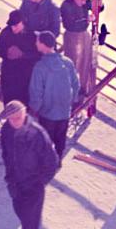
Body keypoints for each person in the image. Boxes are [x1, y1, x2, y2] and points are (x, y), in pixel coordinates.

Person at [0, 100, 60, 229]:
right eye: (12, 119)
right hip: (15, 181)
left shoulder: (37, 133)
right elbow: (6, 152)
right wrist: (9, 174)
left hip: (33, 184)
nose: (16, 121)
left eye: (19, 117)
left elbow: (52, 162)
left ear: (25, 113)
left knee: (30, 216)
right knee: (19, 209)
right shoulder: (6, 131)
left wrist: (40, 183)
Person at [27, 30, 79, 159]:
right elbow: (75, 84)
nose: (36, 43)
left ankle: (46, 165)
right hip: (64, 112)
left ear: (43, 45)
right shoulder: (68, 63)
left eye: (37, 41)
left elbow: (36, 92)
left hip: (47, 113)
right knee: (60, 139)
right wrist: (71, 102)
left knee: (45, 141)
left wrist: (34, 108)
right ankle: (58, 159)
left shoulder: (40, 67)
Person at [60, 0, 101, 103]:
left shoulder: (84, 1)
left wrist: (100, 4)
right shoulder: (66, 5)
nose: (84, 2)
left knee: (85, 61)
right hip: (73, 36)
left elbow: (95, 7)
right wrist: (87, 19)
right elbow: (70, 24)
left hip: (84, 34)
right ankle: (72, 91)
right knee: (74, 64)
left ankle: (82, 89)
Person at [0, 10, 39, 106]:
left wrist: (22, 54)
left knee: (23, 103)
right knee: (9, 102)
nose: (13, 28)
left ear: (23, 22)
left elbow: (38, 55)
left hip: (25, 77)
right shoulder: (6, 32)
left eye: (16, 26)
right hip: (8, 74)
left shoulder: (32, 35)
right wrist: (6, 53)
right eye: (11, 26)